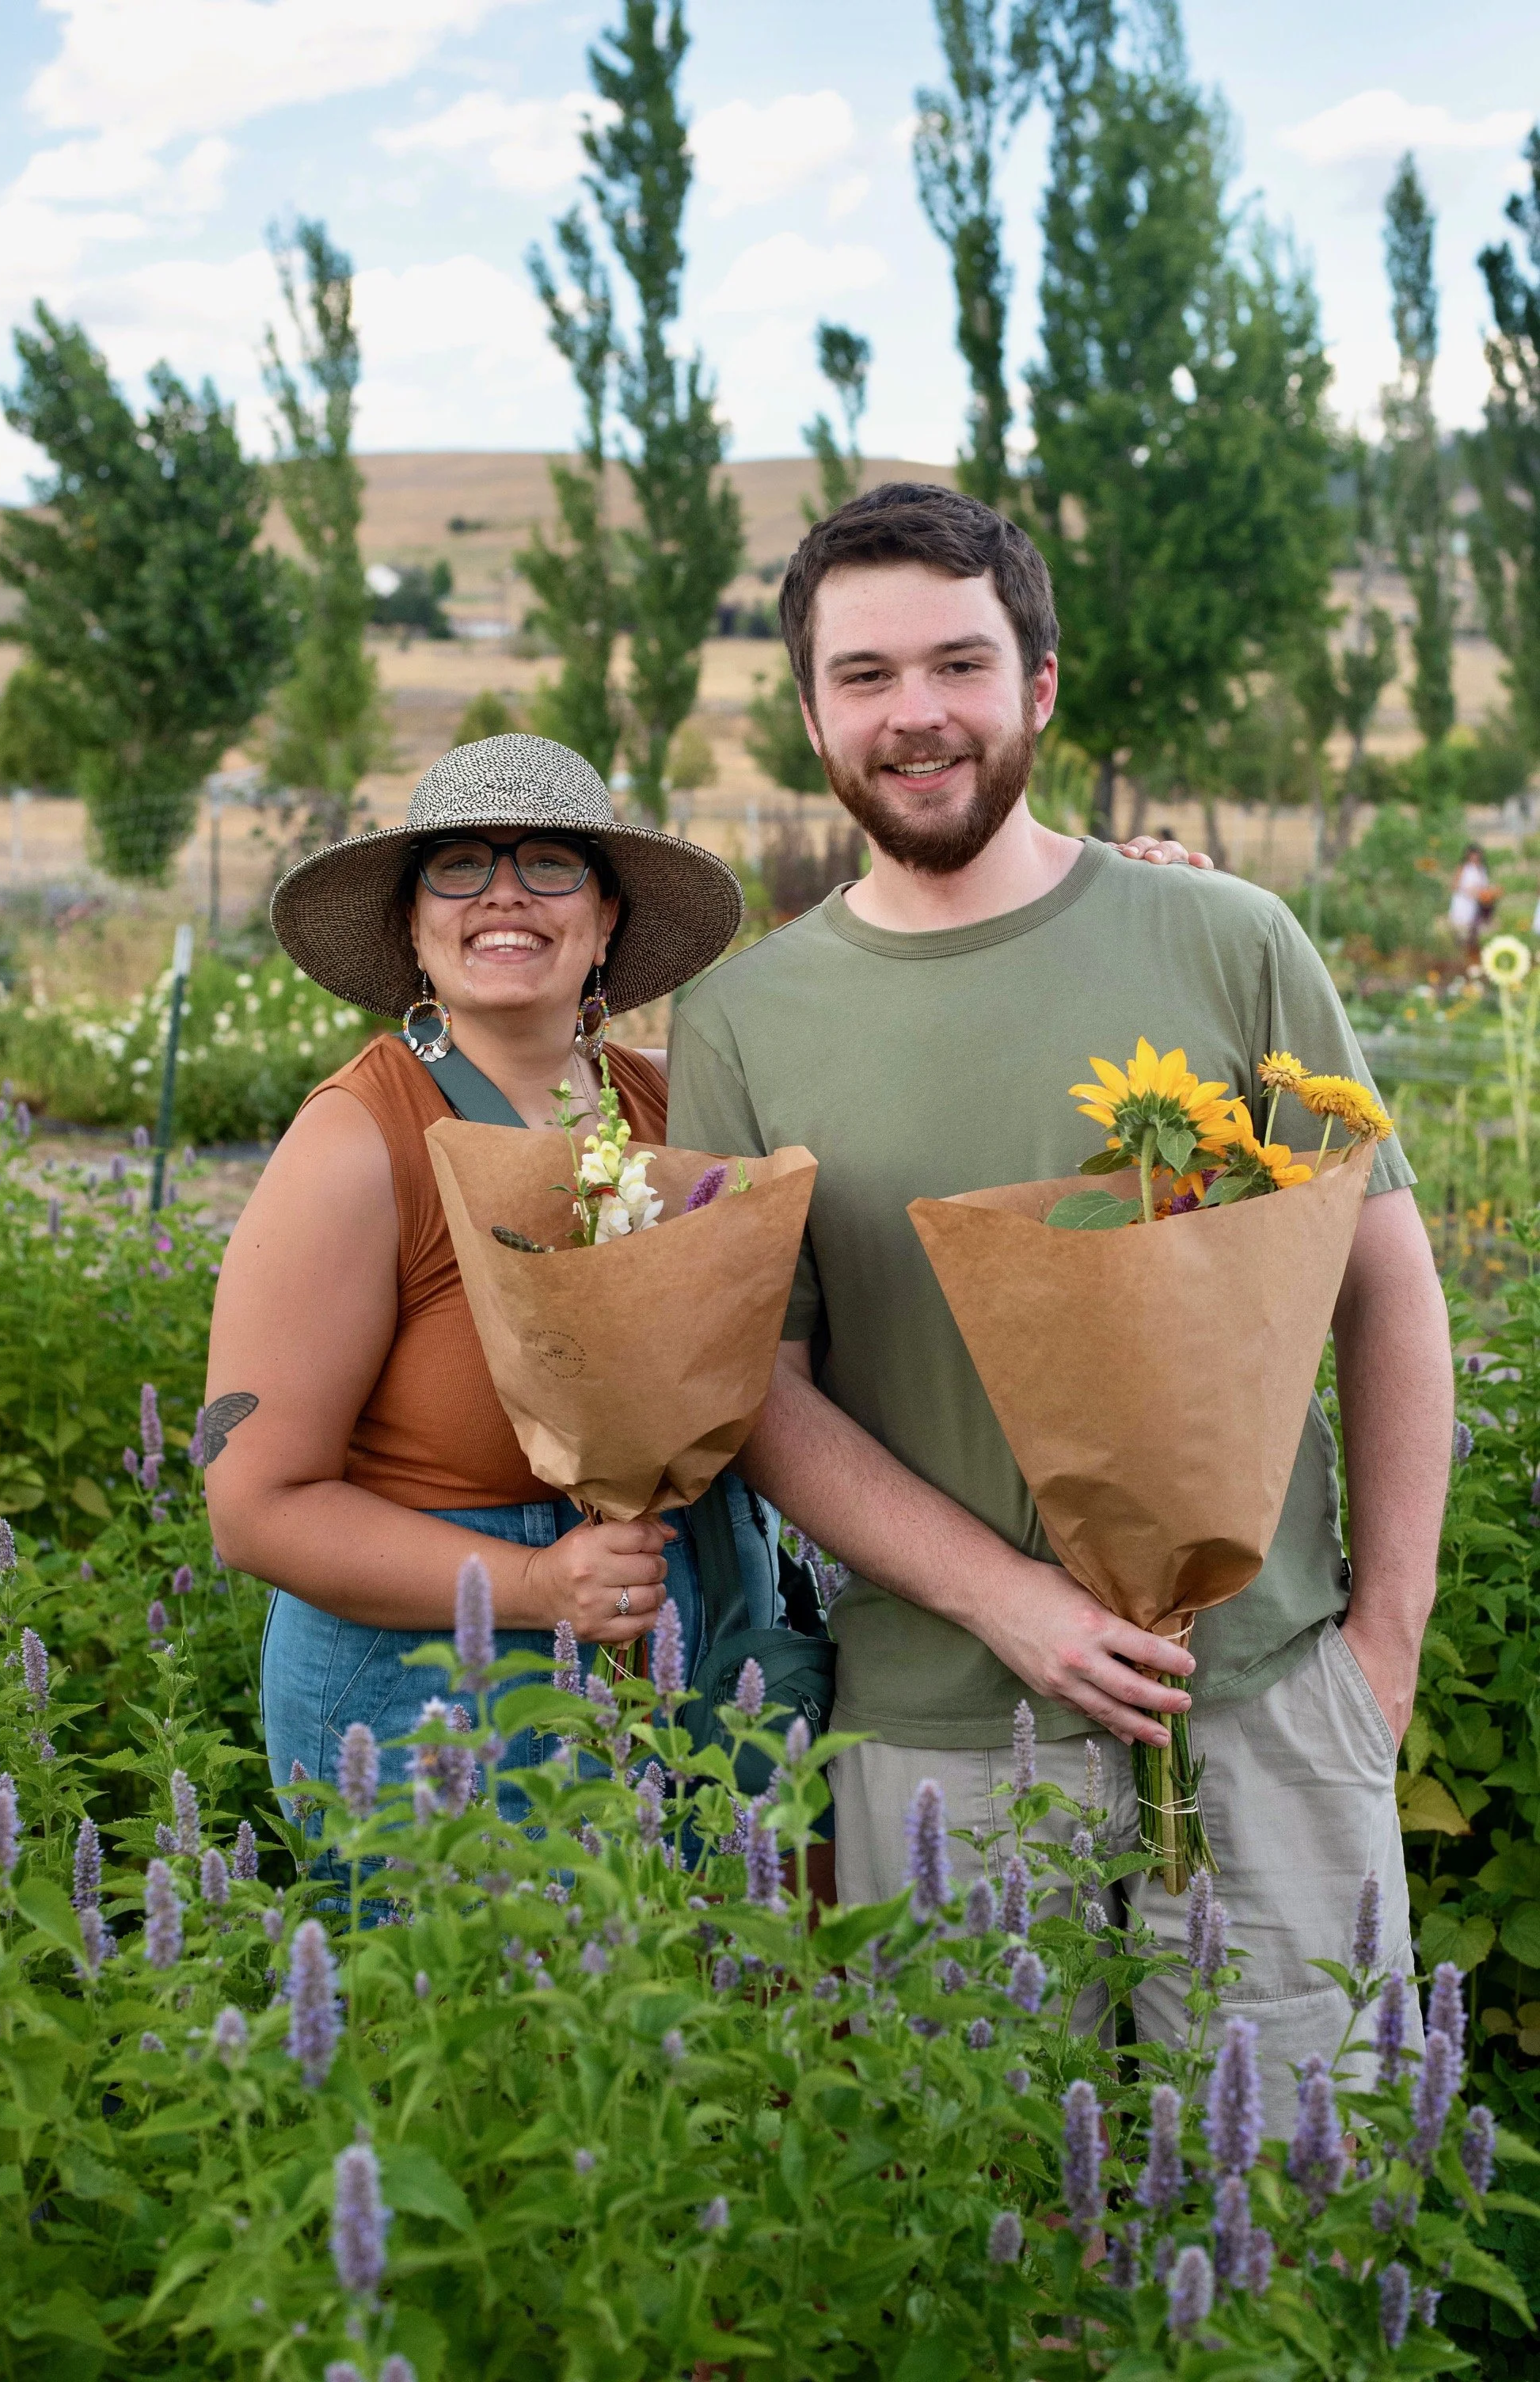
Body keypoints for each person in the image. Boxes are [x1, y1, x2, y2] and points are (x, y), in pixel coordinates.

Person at [667, 483, 1451, 2125]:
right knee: (977, 2245)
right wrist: (1008, 1603)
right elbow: (759, 1386)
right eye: (863, 675)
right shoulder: (741, 1023)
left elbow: (1380, 1286)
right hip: (934, 1731)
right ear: (807, 714)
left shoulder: (1223, 937)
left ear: (1035, 685)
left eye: (957, 663)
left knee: (1300, 2225)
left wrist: (1377, 1645)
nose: (914, 714)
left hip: (1255, 1701)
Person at [203, 733, 781, 1823]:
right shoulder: (357, 1142)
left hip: (659, 1658)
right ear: (414, 927)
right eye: (459, 864)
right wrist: (534, 1587)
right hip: (425, 1694)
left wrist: (1121, 886)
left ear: (606, 916)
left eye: (550, 862)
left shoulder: (670, 1109)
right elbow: (251, 1509)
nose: (503, 894)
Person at [1449, 843, 1492, 963]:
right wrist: (1468, 891)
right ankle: (1460, 956)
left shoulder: (1482, 868)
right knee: (1461, 930)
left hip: (1477, 903)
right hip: (1463, 902)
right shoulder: (1463, 868)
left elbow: (1484, 886)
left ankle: (1473, 955)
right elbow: (1454, 885)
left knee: (1475, 931)